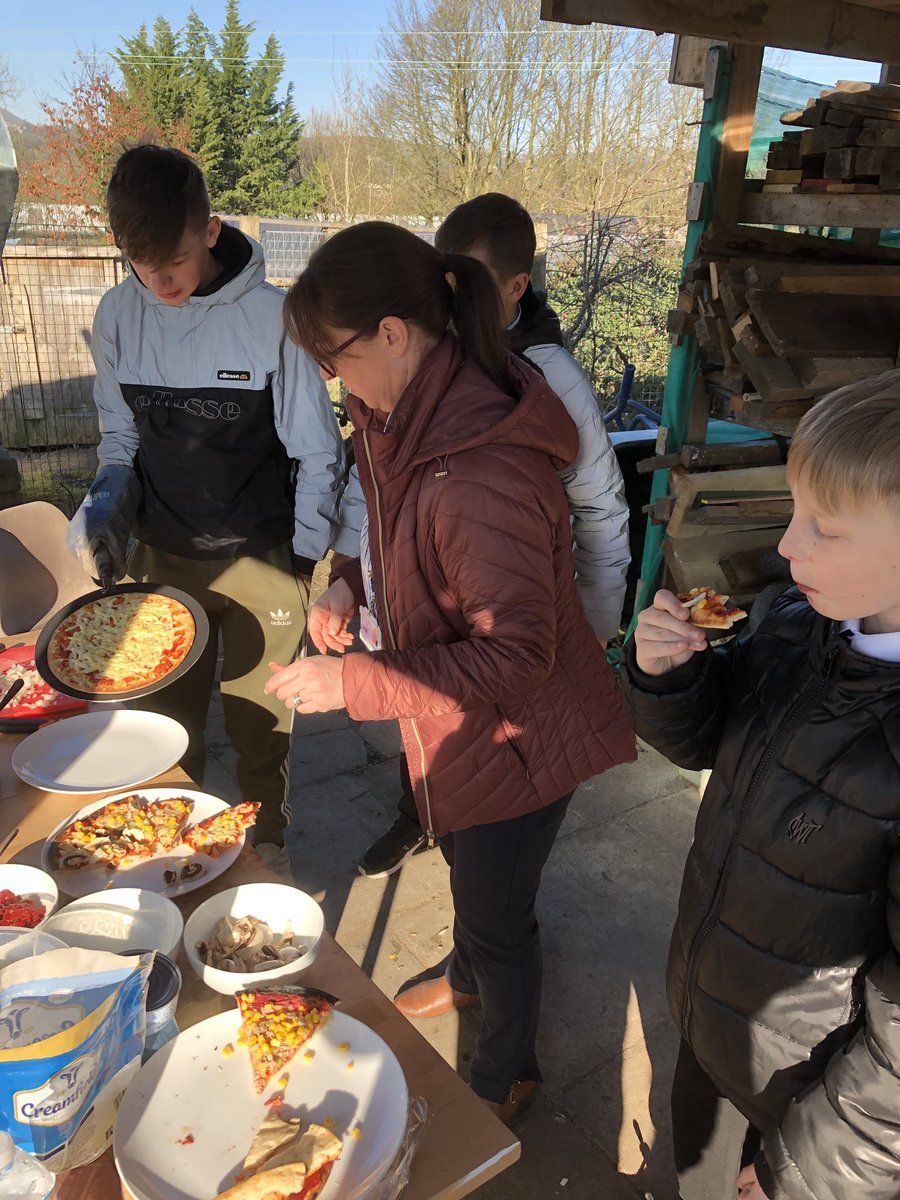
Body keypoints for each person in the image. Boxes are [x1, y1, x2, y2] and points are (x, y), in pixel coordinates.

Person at [265, 220, 636, 1121]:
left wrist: (350, 684)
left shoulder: (477, 465)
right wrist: (350, 581)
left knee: (501, 911)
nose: (332, 379)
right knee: (469, 864)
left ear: (394, 333)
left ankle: (506, 1068)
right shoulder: (404, 410)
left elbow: (514, 655)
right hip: (459, 721)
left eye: (336, 357)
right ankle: (466, 972)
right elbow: (385, 522)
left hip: (517, 734)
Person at [621, 373, 900, 1200]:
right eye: (794, 512)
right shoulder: (790, 619)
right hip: (717, 1022)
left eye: (826, 528)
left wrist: (808, 1169)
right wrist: (667, 679)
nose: (787, 547)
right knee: (694, 1170)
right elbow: (710, 740)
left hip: (818, 1103)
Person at [67, 145, 348, 852]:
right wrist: (104, 507)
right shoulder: (116, 318)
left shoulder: (272, 318)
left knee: (261, 725)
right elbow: (119, 441)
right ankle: (165, 853)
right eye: (142, 265)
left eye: (176, 263)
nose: (160, 281)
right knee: (166, 728)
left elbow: (318, 451)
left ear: (211, 231)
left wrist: (306, 555)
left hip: (262, 558)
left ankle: (266, 850)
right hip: (163, 556)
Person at [358, 192, 630, 878]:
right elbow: (378, 486)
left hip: (513, 601)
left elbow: (599, 507)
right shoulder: (424, 358)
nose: (454, 306)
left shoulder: (549, 376)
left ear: (515, 287)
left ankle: (491, 891)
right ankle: (417, 814)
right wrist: (350, 577)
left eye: (471, 288)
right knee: (422, 717)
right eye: (445, 287)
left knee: (498, 754)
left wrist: (595, 624)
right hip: (428, 601)